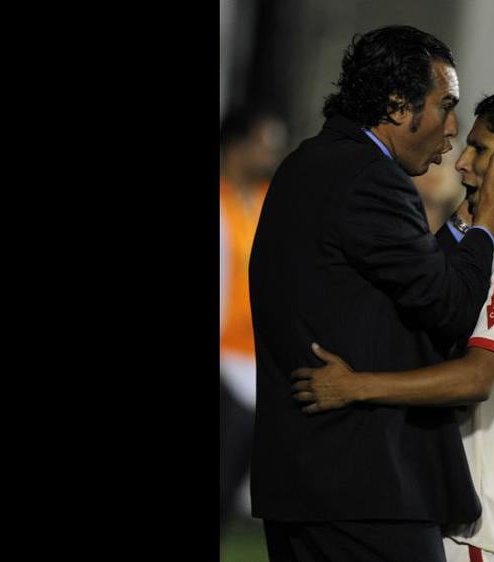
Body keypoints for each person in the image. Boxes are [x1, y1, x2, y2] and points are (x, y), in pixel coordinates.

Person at [248, 27, 494, 562]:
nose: (452, 133)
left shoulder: (309, 162)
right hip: (365, 487)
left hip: (303, 481)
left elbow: (409, 278)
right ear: (398, 105)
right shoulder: (372, 179)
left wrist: (465, 220)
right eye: (445, 107)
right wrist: (487, 221)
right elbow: (452, 307)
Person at [219, 106, 287, 535]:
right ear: (237, 145)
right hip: (223, 360)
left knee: (231, 483)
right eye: (264, 146)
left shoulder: (268, 201)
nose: (271, 156)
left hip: (256, 361)